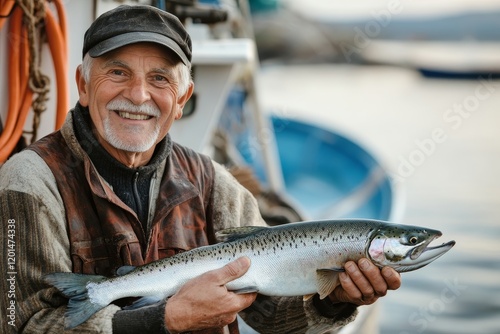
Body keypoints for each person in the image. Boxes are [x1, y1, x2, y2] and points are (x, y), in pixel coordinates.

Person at [0, 5, 401, 334]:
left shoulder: (214, 183)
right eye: (118, 72)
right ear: (84, 86)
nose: (138, 95)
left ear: (182, 98)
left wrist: (335, 300)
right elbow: (24, 326)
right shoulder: (29, 182)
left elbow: (272, 319)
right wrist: (164, 320)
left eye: (159, 78)